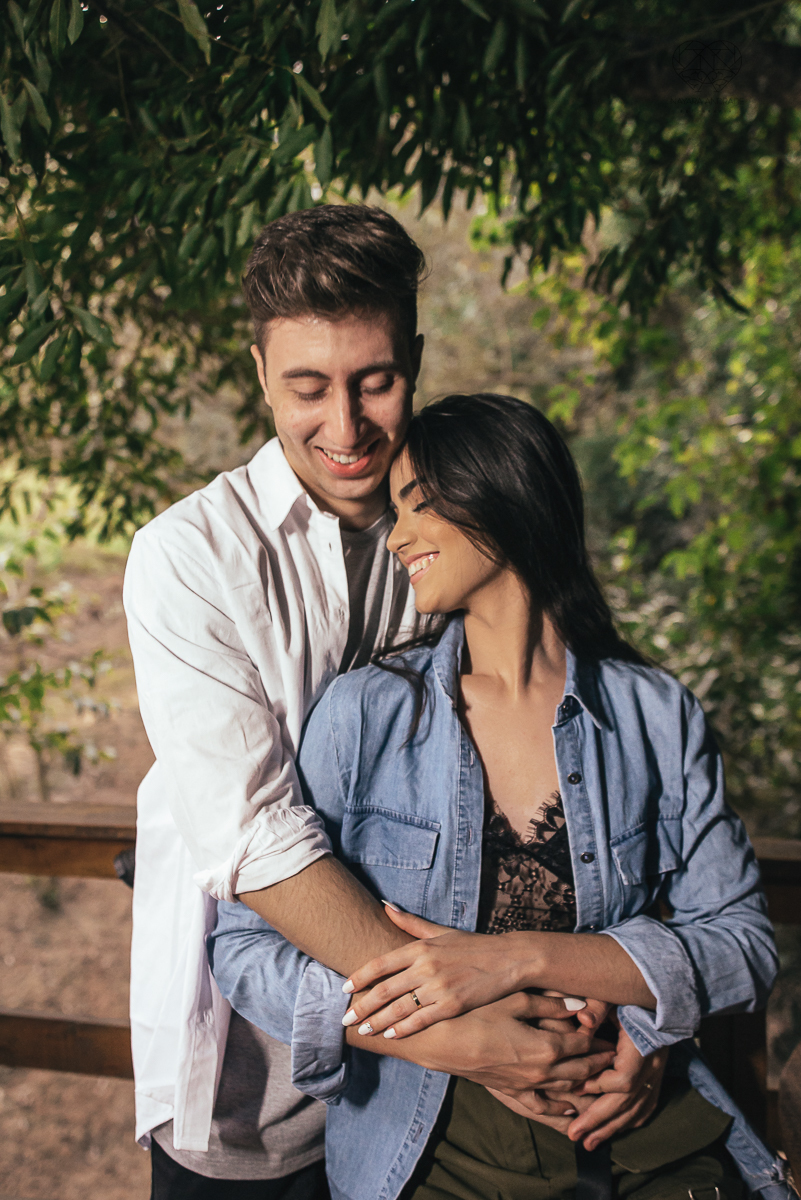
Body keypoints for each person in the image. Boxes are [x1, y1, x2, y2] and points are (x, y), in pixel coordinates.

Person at [123, 212, 624, 1200]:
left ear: (417, 358)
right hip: (253, 1074)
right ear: (261, 370)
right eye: (307, 387)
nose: (345, 429)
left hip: (437, 1110)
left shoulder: (459, 535)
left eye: (376, 381)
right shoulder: (188, 558)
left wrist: (612, 1004)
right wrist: (460, 1026)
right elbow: (256, 836)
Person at [208, 394, 792, 1200]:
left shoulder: (655, 715)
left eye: (417, 502)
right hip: (436, 1152)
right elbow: (243, 949)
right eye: (394, 509)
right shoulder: (364, 715)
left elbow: (743, 944)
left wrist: (523, 960)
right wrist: (432, 1031)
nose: (398, 533)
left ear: (502, 494)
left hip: (650, 1142)